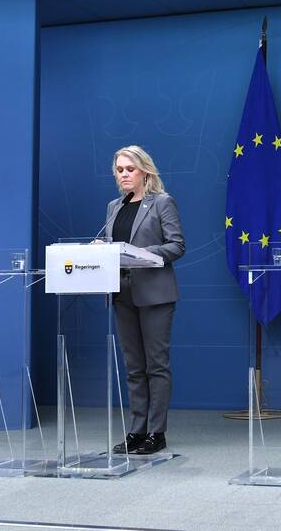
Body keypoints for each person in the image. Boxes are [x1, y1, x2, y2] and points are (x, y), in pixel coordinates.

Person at [106, 145, 185, 455]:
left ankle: (156, 432)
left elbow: (176, 246)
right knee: (133, 367)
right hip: (122, 291)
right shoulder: (114, 206)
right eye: (120, 170)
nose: (124, 174)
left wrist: (143, 253)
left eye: (130, 169)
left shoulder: (162, 202)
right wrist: (102, 249)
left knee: (156, 365)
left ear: (145, 171)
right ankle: (136, 431)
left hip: (154, 294)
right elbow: (115, 246)